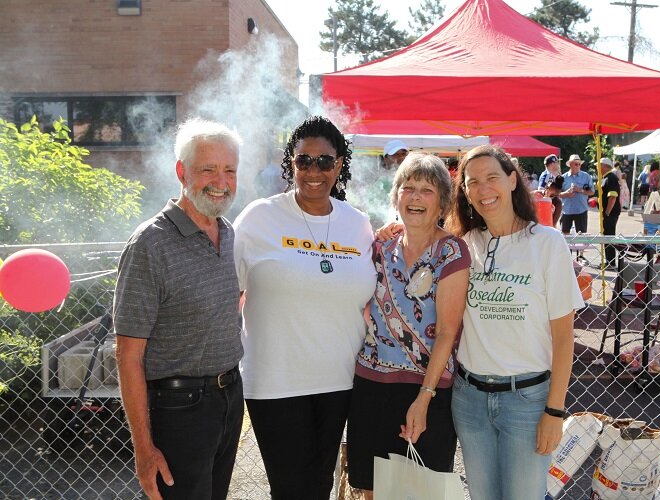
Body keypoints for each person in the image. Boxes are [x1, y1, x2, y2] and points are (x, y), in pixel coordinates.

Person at [232, 116, 377, 500]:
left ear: (340, 165)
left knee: (319, 485)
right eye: (304, 161)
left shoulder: (358, 224)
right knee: (292, 488)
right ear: (290, 164)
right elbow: (227, 295)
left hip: (341, 381)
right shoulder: (258, 218)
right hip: (276, 382)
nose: (314, 171)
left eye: (325, 161)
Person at [114, 118, 244, 500]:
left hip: (229, 397)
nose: (220, 181)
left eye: (229, 170)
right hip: (177, 409)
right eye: (208, 169)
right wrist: (143, 449)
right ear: (181, 172)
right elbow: (127, 355)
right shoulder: (149, 245)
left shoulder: (228, 232)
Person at [446, 145, 584, 499]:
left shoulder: (547, 244)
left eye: (492, 177)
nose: (483, 189)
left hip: (527, 400)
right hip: (469, 399)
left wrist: (555, 410)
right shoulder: (464, 244)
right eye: (472, 182)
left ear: (512, 181)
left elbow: (564, 338)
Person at [347, 153, 471, 498]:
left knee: (421, 492)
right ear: (396, 195)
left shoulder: (451, 252)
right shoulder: (378, 246)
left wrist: (424, 398)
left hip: (427, 391)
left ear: (443, 201)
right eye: (408, 187)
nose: (415, 197)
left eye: (427, 190)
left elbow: (448, 331)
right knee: (371, 490)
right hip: (371, 387)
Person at [560, 154, 594, 234]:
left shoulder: (586, 176)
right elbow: (557, 194)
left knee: (581, 236)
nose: (578, 166)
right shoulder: (563, 177)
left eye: (579, 164)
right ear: (570, 165)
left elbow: (592, 192)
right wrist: (566, 193)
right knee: (565, 235)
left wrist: (580, 190)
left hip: (581, 210)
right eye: (576, 164)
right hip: (567, 210)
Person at [599, 158, 621, 268]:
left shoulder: (611, 178)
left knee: (609, 236)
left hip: (610, 213)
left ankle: (611, 262)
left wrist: (607, 212)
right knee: (606, 236)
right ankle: (608, 260)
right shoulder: (606, 178)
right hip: (607, 213)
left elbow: (612, 196)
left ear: (605, 166)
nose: (597, 167)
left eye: (599, 165)